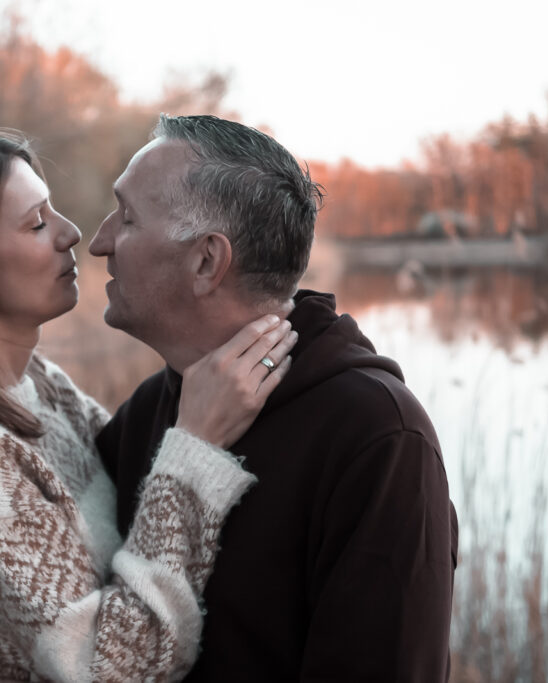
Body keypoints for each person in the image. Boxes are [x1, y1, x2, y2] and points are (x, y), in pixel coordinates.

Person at [0, 129, 296, 681]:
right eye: (37, 222)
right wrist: (197, 446)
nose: (72, 233)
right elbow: (105, 667)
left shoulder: (42, 386)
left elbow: (138, 500)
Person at [90, 114, 459, 682]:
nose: (99, 241)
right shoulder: (149, 411)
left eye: (128, 218)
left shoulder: (378, 438)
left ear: (207, 262)